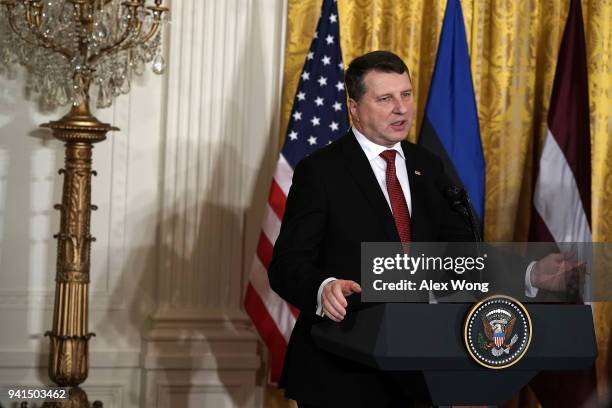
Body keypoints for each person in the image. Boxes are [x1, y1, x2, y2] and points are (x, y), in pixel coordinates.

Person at [268, 50, 581, 408]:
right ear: (353, 107)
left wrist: (532, 272)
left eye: (406, 94)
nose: (401, 108)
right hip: (343, 369)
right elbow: (287, 265)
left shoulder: (427, 165)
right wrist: (324, 288)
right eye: (385, 98)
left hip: (421, 371)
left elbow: (462, 256)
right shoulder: (320, 172)